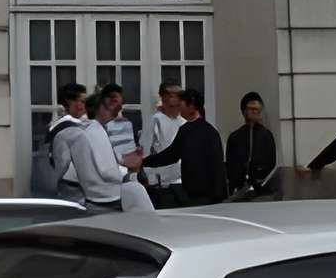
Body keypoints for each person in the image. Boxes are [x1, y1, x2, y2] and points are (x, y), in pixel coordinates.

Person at [47, 82, 151, 214]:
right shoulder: (77, 130)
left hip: (89, 196)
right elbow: (103, 168)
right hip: (91, 198)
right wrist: (127, 169)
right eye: (80, 101)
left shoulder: (90, 129)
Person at [155, 85, 226, 207]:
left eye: (181, 104)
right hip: (192, 193)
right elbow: (171, 155)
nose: (179, 108)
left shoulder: (207, 132)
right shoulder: (188, 130)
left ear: (191, 106)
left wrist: (219, 198)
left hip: (205, 196)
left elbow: (217, 167)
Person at [226, 92, 282, 201]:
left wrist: (259, 178)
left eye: (257, 109)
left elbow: (271, 162)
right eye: (251, 109)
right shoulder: (235, 137)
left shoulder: (266, 135)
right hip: (241, 190)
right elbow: (231, 166)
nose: (255, 112)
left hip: (261, 191)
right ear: (244, 111)